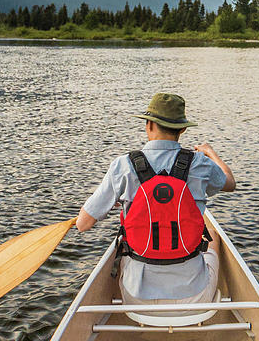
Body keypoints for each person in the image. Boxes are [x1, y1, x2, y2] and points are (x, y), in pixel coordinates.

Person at [76, 92, 236, 305]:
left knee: (124, 243)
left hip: (135, 297)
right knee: (213, 235)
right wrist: (210, 153)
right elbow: (229, 184)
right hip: (194, 296)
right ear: (183, 129)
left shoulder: (122, 165)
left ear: (148, 125)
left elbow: (83, 225)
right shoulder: (200, 163)